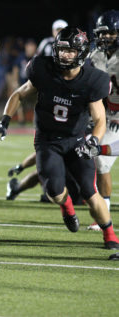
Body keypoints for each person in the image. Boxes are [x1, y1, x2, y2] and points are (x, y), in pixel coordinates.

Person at [0, 27, 119, 250]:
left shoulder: (92, 79)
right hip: (48, 140)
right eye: (61, 50)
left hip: (77, 139)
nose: (64, 55)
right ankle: (66, 207)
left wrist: (94, 141)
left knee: (90, 191)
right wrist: (4, 121)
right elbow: (20, 93)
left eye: (70, 51)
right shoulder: (43, 68)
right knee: (54, 191)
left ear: (81, 52)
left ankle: (110, 236)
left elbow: (99, 120)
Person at [84, 10, 119, 231]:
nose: (104, 38)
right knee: (96, 160)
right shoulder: (94, 56)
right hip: (104, 113)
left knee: (101, 158)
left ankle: (103, 212)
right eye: (101, 34)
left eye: (109, 34)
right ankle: (103, 211)